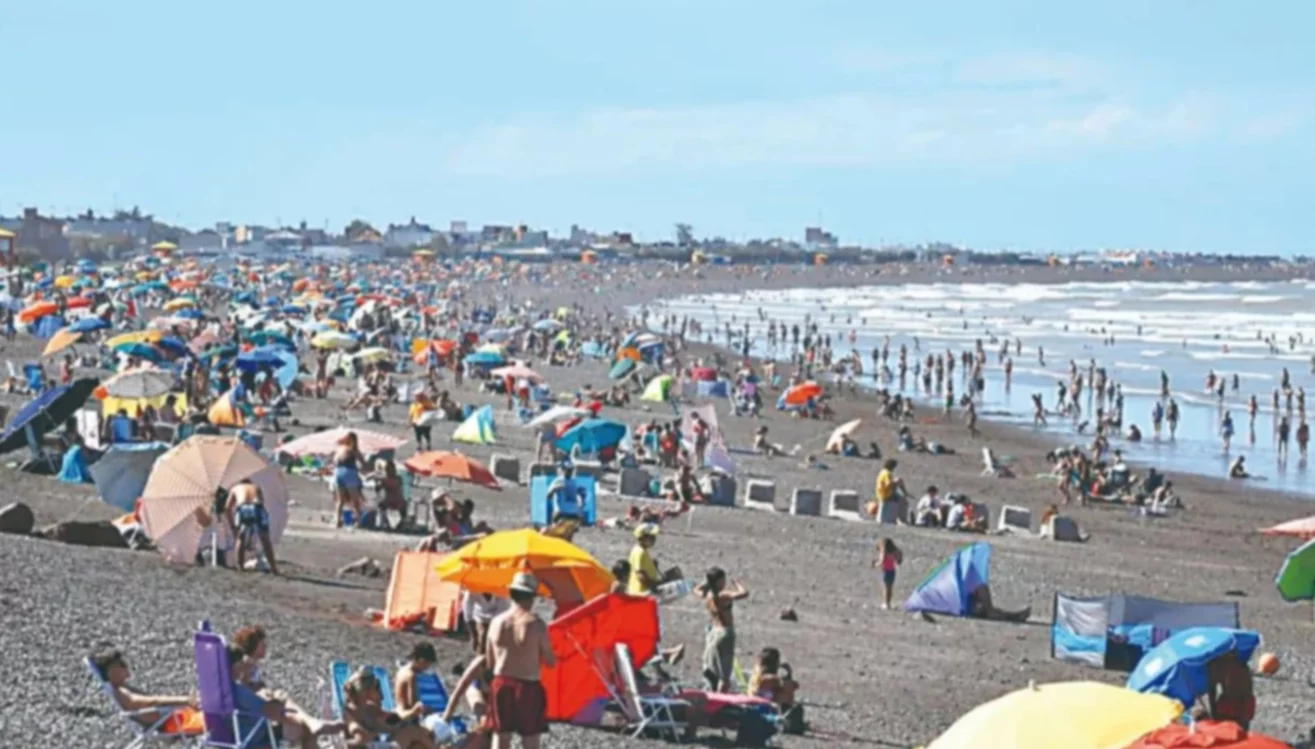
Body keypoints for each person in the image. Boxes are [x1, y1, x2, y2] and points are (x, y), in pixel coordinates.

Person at [485, 572, 555, 749]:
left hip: (501, 682)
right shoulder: (537, 624)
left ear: (511, 594)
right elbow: (550, 661)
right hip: (528, 684)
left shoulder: (496, 622)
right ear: (532, 597)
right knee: (530, 737)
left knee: (501, 736)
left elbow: (490, 661)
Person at [89, 649, 204, 736]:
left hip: (174, 717)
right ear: (111, 672)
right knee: (213, 721)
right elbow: (149, 700)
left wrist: (186, 701)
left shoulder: (122, 688)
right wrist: (184, 700)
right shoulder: (121, 692)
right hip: (171, 723)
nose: (126, 667)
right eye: (122, 664)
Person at [342, 667, 437, 749]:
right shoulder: (349, 712)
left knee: (416, 745)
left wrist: (413, 713)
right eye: (376, 687)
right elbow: (355, 737)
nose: (379, 692)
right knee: (411, 732)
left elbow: (394, 720)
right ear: (366, 691)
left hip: (378, 746)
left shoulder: (370, 708)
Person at [695, 566, 749, 692]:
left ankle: (713, 690)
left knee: (714, 666)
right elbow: (743, 594)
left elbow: (696, 589)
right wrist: (738, 584)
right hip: (725, 632)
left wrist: (708, 583)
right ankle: (720, 698)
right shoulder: (722, 595)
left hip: (713, 631)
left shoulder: (707, 595)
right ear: (719, 581)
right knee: (725, 675)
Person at [226, 478, 279, 575]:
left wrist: (232, 525)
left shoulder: (235, 488)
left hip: (242, 507)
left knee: (240, 538)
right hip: (256, 507)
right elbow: (262, 501)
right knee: (265, 539)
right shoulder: (256, 487)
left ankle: (240, 566)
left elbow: (227, 507)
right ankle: (273, 568)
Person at [748, 647, 804, 735]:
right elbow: (794, 685)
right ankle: (784, 719)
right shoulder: (768, 678)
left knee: (782, 693)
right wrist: (789, 673)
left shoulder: (759, 673)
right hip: (760, 708)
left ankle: (786, 718)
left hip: (761, 704)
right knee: (786, 692)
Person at [333, 432, 366, 528]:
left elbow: (335, 461)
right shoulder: (354, 450)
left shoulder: (339, 448)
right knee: (355, 499)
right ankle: (359, 521)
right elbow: (364, 463)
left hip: (338, 472)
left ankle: (337, 521)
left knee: (340, 500)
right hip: (349, 473)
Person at [627, 524, 662, 596]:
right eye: (651, 537)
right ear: (642, 538)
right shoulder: (639, 552)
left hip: (642, 592)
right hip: (639, 592)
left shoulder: (643, 550)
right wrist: (654, 586)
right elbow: (640, 575)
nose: (654, 539)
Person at [872, 538, 903, 610]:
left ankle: (886, 603)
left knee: (886, 588)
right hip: (892, 571)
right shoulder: (894, 552)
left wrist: (875, 565)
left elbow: (882, 562)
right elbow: (898, 560)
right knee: (890, 588)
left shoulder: (884, 552)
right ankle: (888, 602)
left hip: (885, 571)